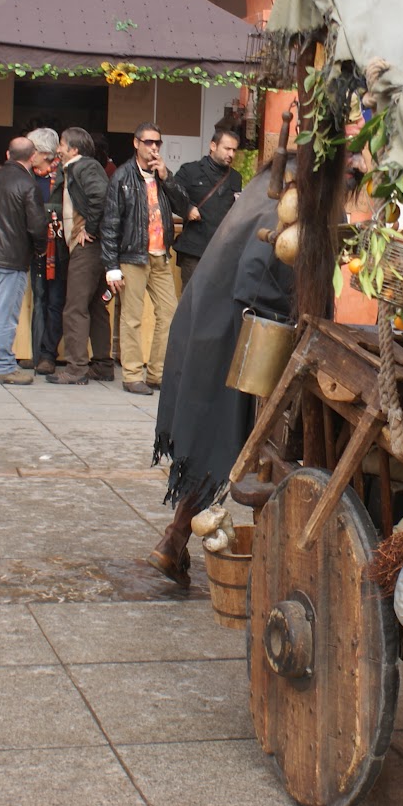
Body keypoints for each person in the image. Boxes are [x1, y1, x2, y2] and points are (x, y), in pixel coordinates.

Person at [149, 172, 294, 584]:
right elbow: (256, 271)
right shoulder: (285, 202)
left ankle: (174, 539)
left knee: (213, 435)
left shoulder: (263, 189)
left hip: (208, 317)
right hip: (233, 331)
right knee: (224, 439)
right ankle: (176, 537)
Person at [101, 122, 197, 395]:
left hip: (160, 255)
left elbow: (184, 206)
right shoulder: (122, 176)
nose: (154, 147)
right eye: (148, 142)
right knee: (131, 318)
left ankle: (157, 373)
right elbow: (110, 224)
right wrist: (111, 266)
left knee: (169, 314)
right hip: (133, 255)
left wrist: (167, 176)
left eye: (157, 143)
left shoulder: (161, 174)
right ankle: (132, 375)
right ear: (136, 143)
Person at [0, 136, 49, 385]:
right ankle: (3, 366)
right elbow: (37, 226)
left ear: (7, 154)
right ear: (33, 157)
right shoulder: (28, 184)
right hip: (11, 257)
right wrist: (39, 250)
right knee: (6, 313)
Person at [49, 127, 116, 384]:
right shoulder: (79, 168)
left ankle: (76, 368)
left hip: (87, 248)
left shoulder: (85, 167)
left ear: (74, 149)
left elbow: (100, 196)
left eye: (62, 144)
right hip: (96, 247)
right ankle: (102, 365)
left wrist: (89, 228)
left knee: (75, 307)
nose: (58, 149)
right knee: (96, 307)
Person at [171, 127, 243, 289]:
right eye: (227, 148)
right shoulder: (190, 171)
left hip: (222, 250)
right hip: (194, 250)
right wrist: (187, 209)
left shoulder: (235, 178)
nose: (231, 154)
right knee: (192, 297)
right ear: (213, 146)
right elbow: (172, 196)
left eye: (234, 150)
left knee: (217, 298)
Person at [22, 127, 64, 375]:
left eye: (33, 150)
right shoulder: (27, 175)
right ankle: (36, 354)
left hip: (58, 247)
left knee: (55, 301)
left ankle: (48, 355)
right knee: (38, 299)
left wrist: (43, 212)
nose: (30, 154)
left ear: (47, 153)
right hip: (35, 246)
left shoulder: (65, 175)